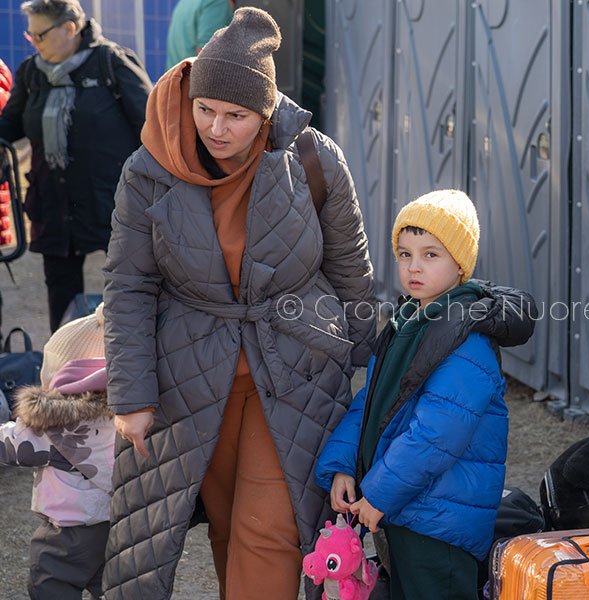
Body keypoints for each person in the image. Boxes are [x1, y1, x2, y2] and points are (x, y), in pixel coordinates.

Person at [101, 7, 376, 600]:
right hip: (192, 376)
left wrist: (367, 362)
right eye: (205, 109)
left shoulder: (314, 158)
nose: (216, 128)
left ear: (266, 113)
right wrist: (132, 395)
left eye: (236, 115)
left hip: (300, 368)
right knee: (227, 525)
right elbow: (129, 283)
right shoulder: (149, 168)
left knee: (270, 529)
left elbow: (349, 265)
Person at [316, 189, 536, 600]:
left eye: (430, 255)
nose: (413, 266)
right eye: (405, 254)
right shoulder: (408, 323)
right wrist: (343, 465)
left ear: (460, 264)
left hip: (440, 522)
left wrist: (378, 493)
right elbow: (371, 404)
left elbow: (436, 435)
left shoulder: (466, 341)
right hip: (404, 510)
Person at [0, 0, 151, 332]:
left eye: (39, 35)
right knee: (61, 301)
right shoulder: (31, 73)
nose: (34, 42)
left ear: (70, 28)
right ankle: (65, 358)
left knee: (128, 292)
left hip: (111, 203)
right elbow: (9, 126)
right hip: (54, 206)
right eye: (30, 35)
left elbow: (152, 129)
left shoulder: (112, 62)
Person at [0, 305, 113, 600]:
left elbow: (10, 445)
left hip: (69, 530)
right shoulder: (127, 416)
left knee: (50, 583)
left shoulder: (53, 427)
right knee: (110, 584)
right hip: (115, 524)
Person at [166, 0, 234, 69]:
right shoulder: (216, 2)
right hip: (194, 73)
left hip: (176, 73)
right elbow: (209, 57)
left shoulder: (185, 2)